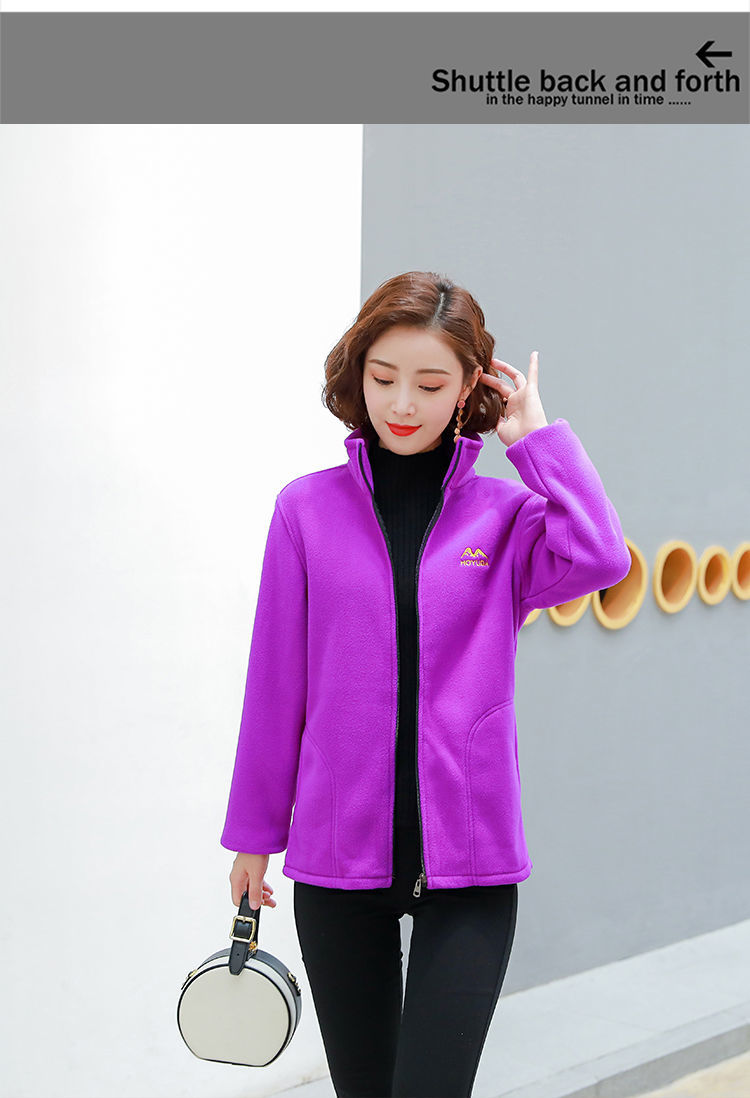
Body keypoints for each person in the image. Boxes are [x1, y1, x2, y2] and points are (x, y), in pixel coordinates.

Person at [220, 270, 631, 1097]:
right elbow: (275, 685)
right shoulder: (305, 512)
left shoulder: (505, 518)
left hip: (470, 875)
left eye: (431, 384)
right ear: (358, 374)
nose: (402, 403)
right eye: (383, 378)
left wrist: (536, 441)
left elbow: (599, 555)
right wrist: (253, 835)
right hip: (337, 868)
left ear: (470, 387)